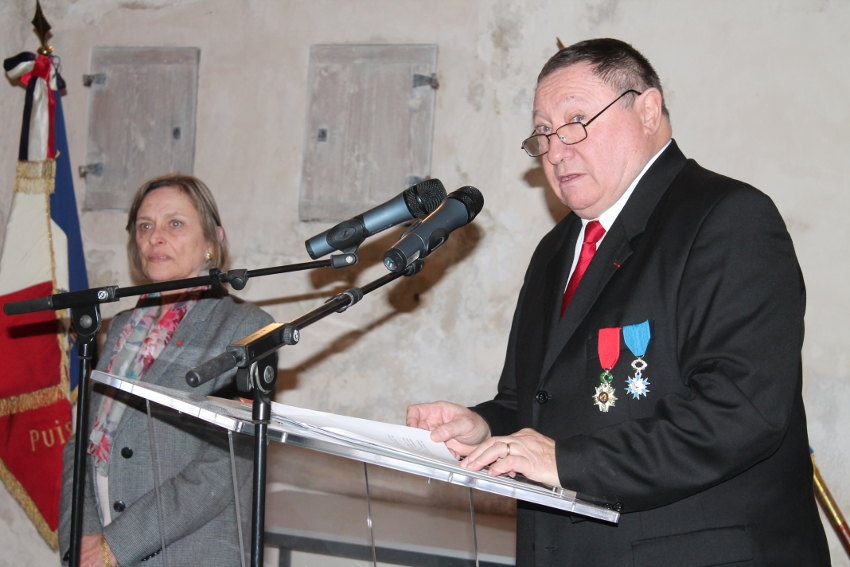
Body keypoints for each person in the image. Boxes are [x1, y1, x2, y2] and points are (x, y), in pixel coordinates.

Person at [407, 38, 830, 566]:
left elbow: (739, 413)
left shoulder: (727, 219)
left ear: (648, 110)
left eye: (576, 120)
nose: (556, 150)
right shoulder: (558, 248)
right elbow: (534, 403)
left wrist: (566, 460)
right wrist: (483, 426)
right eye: (543, 132)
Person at [58, 174, 273, 566]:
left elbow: (223, 466)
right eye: (145, 226)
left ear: (212, 241)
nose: (155, 237)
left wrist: (116, 546)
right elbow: (81, 445)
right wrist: (81, 542)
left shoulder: (245, 329)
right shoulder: (121, 327)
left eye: (174, 224)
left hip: (189, 554)